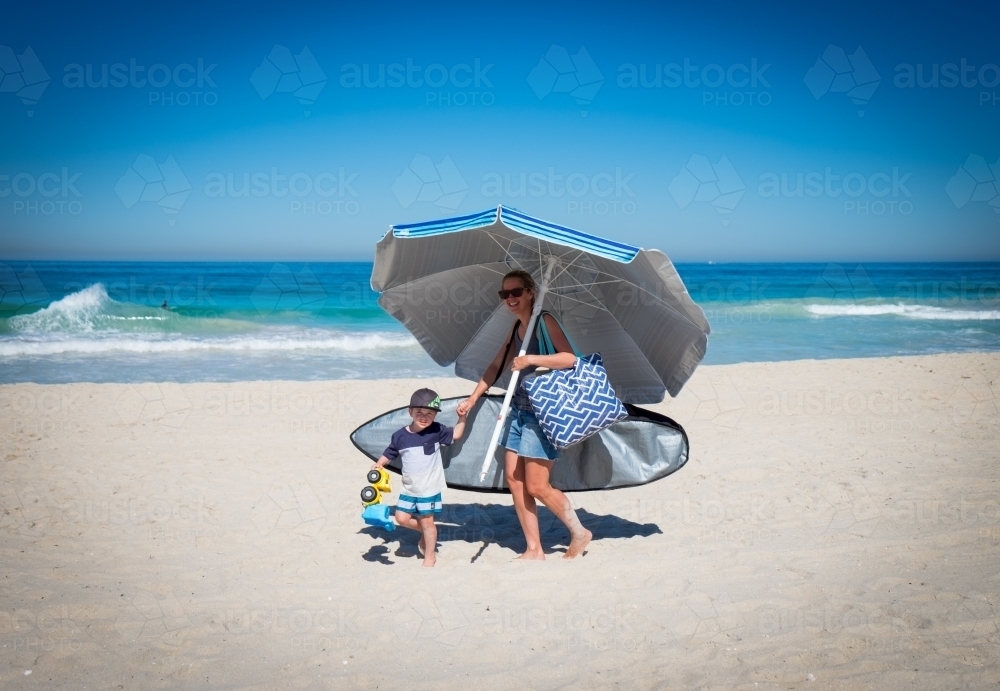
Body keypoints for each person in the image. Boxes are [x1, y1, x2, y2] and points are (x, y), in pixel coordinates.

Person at [456, 269, 593, 560]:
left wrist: (531, 359)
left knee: (537, 485)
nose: (510, 298)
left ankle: (580, 533)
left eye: (516, 292)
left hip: (543, 412)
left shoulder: (544, 321)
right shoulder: (517, 328)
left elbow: (569, 359)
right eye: (504, 294)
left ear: (530, 292)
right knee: (514, 480)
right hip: (517, 407)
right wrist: (472, 398)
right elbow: (496, 366)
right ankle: (534, 549)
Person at [371, 388, 466, 567]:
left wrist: (462, 417)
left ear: (435, 415)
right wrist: (379, 463)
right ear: (410, 412)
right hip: (409, 486)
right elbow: (390, 452)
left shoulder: (437, 430)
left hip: (429, 487)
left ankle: (429, 555)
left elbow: (457, 434)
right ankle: (427, 533)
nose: (424, 417)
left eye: (429, 413)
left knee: (427, 521)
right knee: (401, 518)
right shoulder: (400, 436)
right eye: (419, 413)